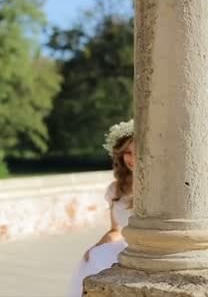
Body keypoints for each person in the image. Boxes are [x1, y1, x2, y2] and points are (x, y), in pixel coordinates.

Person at [68, 119, 134, 297]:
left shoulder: (157, 189)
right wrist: (95, 247)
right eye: (127, 152)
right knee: (95, 258)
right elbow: (116, 230)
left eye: (138, 152)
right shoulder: (115, 189)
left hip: (145, 251)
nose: (132, 158)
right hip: (123, 247)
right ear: (120, 154)